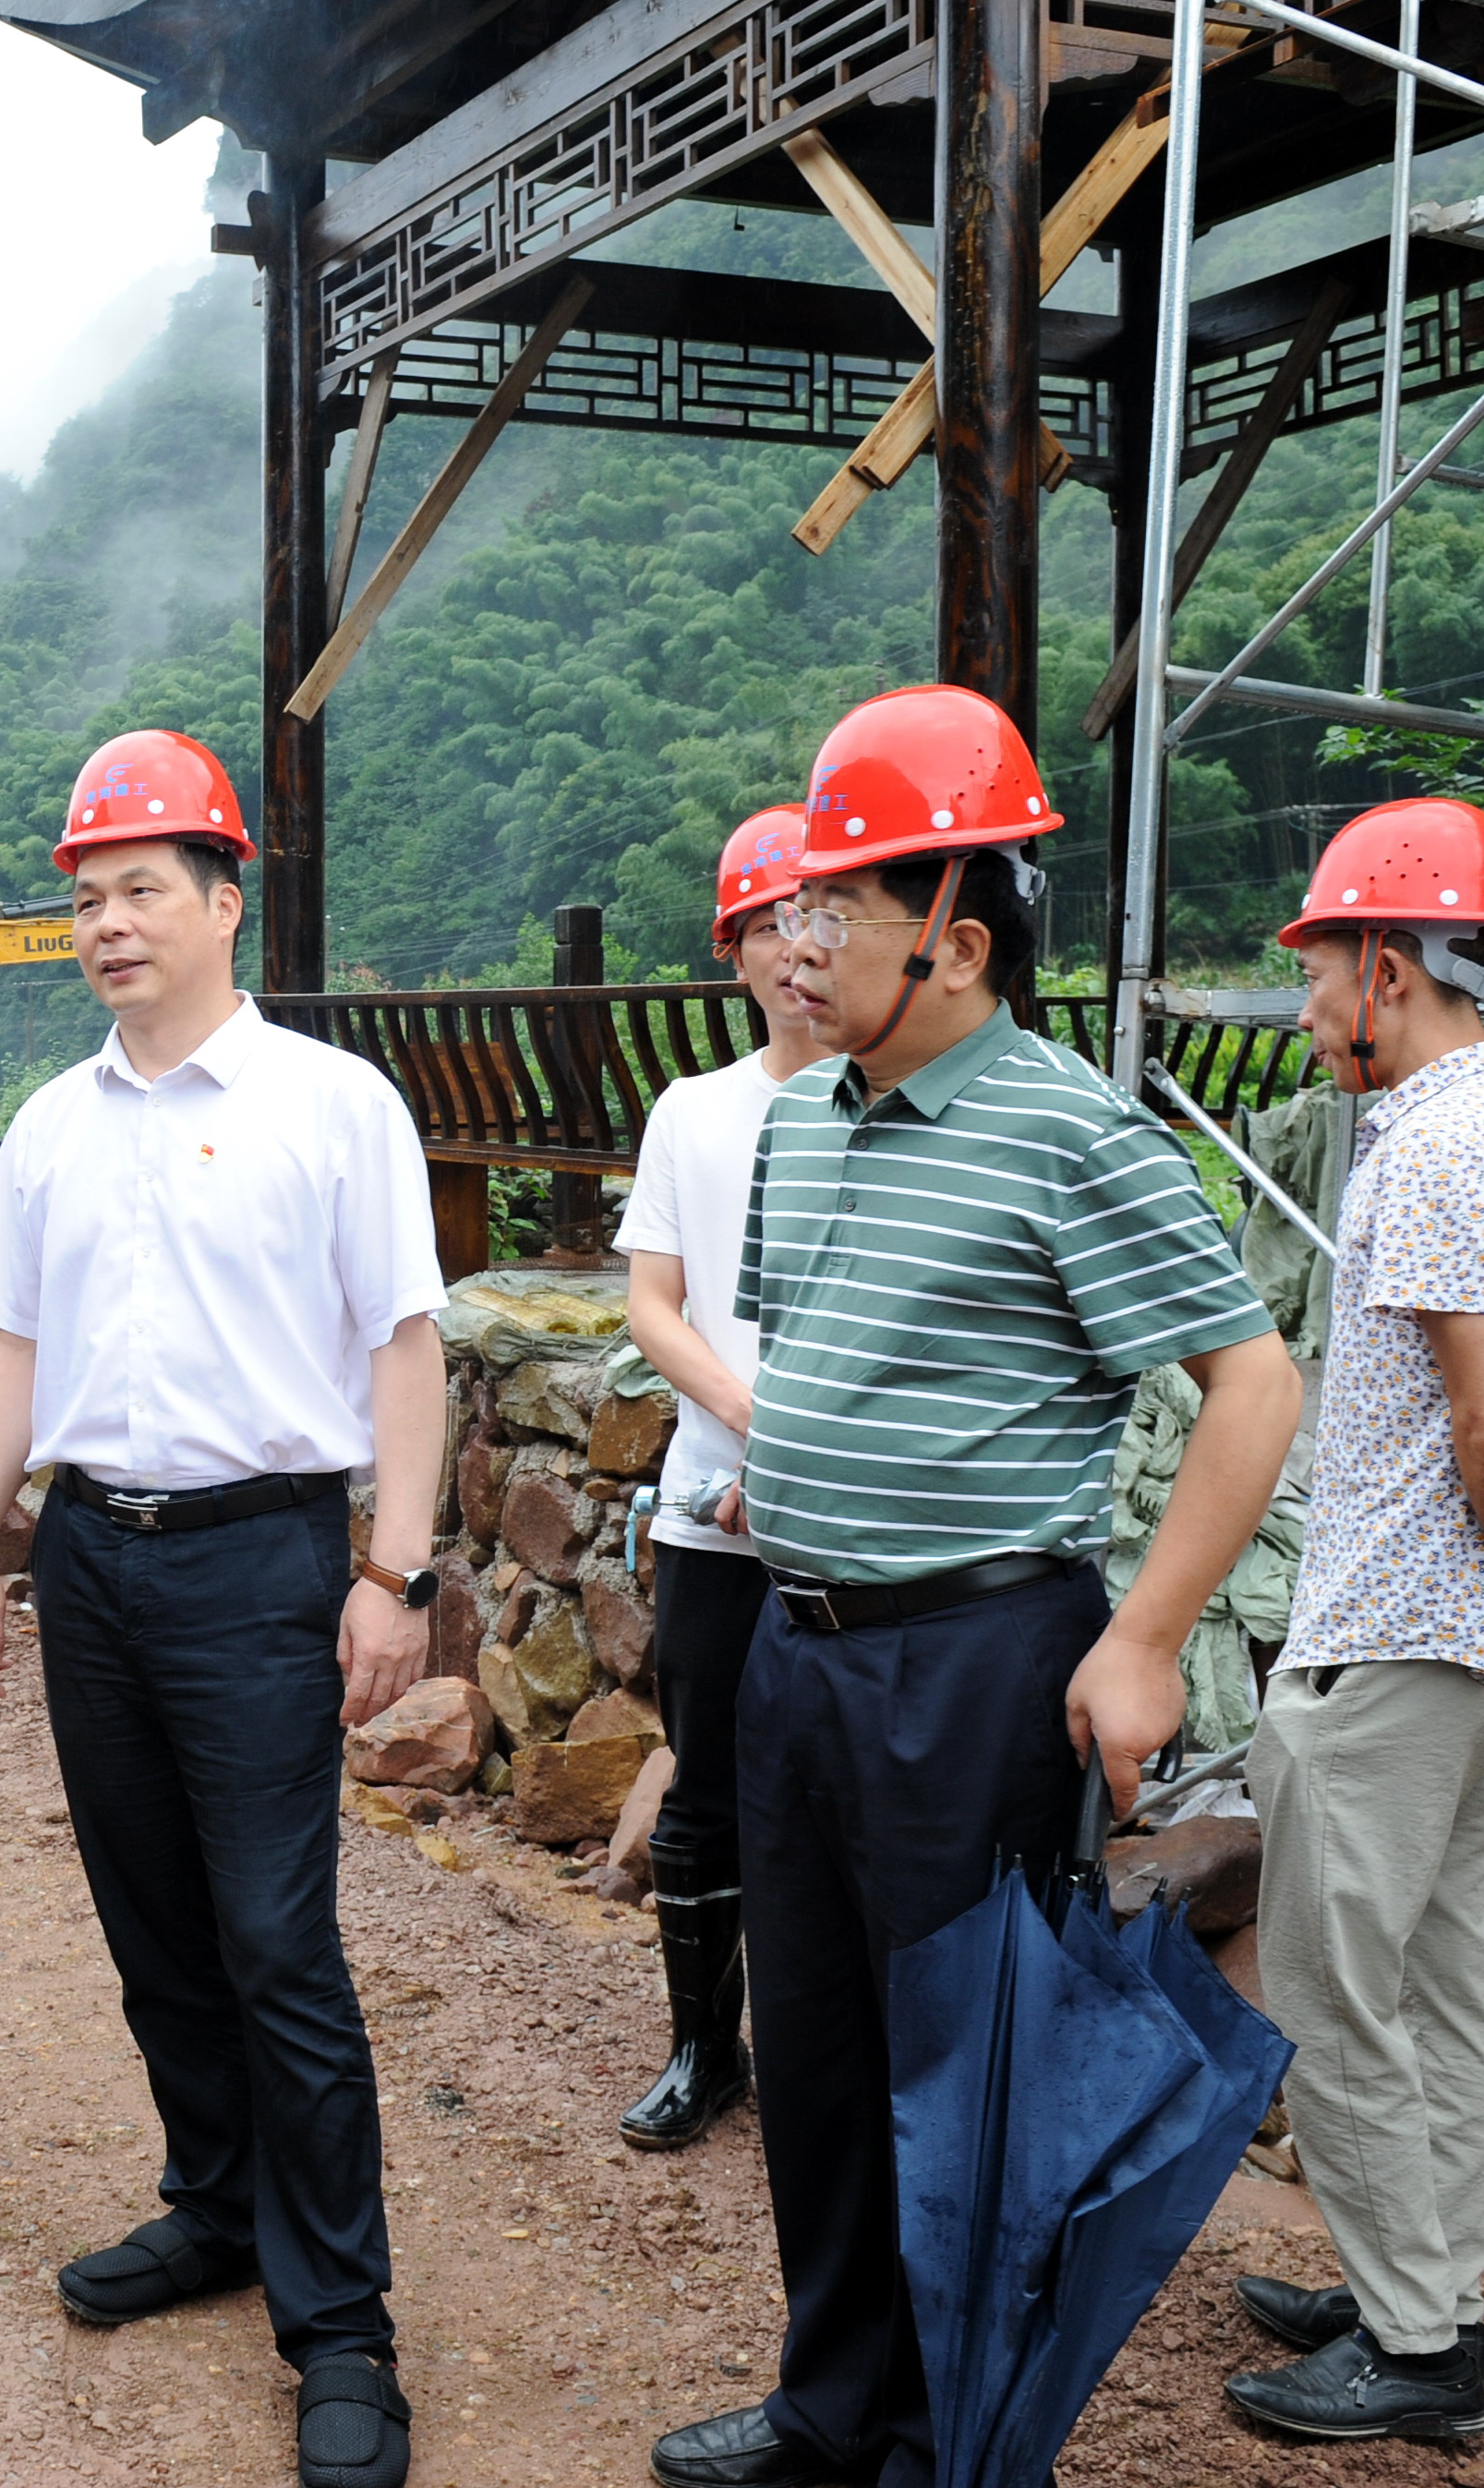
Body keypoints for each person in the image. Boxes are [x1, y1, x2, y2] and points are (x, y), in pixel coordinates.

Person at [649, 687, 1300, 2488]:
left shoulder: (1069, 1134)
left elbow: (1253, 1384)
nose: (794, 939)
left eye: (833, 905)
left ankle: (953, 2447)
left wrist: (1147, 1638)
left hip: (975, 1667)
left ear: (954, 923)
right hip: (800, 1650)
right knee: (821, 2050)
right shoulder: (800, 1126)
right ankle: (825, 2406)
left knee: (973, 2089)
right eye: (791, 906)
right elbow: (791, 1360)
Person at [0, 728, 444, 2488]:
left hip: (262, 1559)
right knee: (152, 1921)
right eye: (86, 897)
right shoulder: (52, 1125)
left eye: (143, 888)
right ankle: (214, 2208)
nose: (107, 922)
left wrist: (395, 1569)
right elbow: (9, 1347)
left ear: (227, 902)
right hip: (94, 1558)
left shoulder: (330, 1104)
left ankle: (344, 2327)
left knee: (277, 1941)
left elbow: (402, 1350)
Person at [1224, 801, 1484, 2445]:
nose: (1308, 1009)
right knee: (1448, 1990)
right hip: (1456, 1647)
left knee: (1331, 1991)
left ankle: (1412, 2344)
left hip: (1394, 1634)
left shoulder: (1437, 1151)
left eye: (1317, 974)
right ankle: (1421, 2288)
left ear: (1385, 966)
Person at [607, 803, 828, 2153]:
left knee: (839, 1788)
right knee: (704, 1788)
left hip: (862, 1527)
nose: (793, 951)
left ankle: (828, 2057)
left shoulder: (899, 1108)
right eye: (764, 926)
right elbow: (653, 1305)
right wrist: (753, 1426)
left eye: (814, 917)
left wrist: (806, 1457)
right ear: (733, 954)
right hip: (711, 1512)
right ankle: (706, 2047)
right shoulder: (695, 1113)